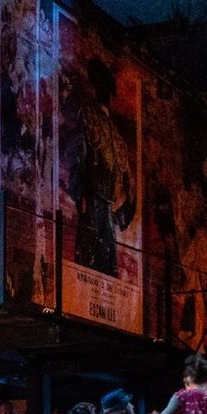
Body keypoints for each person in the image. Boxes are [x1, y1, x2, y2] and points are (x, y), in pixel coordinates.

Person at [70, 58, 134, 276]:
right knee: (105, 266)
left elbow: (79, 158)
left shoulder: (89, 118)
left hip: (94, 203)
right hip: (105, 209)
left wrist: (79, 194)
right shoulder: (116, 136)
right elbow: (129, 192)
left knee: (90, 265)